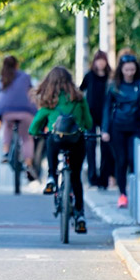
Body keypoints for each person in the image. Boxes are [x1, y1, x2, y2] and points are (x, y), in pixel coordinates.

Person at [29, 66, 93, 233]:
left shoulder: (50, 100)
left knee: (50, 138)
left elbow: (35, 125)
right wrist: (82, 127)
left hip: (57, 142)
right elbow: (89, 123)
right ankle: (80, 216)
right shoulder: (79, 98)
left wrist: (36, 133)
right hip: (76, 141)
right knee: (76, 178)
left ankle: (51, 177)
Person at [101, 54, 140, 208]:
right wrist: (104, 130)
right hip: (117, 128)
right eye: (127, 70)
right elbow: (106, 108)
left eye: (132, 69)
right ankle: (122, 194)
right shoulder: (114, 86)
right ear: (121, 70)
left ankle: (135, 192)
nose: (130, 73)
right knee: (121, 161)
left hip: (136, 127)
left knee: (134, 159)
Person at [0, 55, 38, 181]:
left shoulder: (2, 78)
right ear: (16, 65)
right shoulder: (26, 77)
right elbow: (31, 92)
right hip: (25, 111)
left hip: (8, 112)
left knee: (7, 127)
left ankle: (6, 151)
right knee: (27, 138)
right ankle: (28, 164)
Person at [79, 50, 115, 189]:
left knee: (106, 146)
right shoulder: (89, 76)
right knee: (90, 144)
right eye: (98, 60)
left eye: (102, 60)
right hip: (91, 114)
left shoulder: (110, 77)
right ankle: (92, 177)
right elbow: (81, 90)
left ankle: (104, 178)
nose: (100, 63)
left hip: (106, 114)